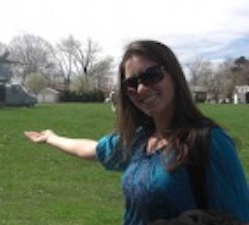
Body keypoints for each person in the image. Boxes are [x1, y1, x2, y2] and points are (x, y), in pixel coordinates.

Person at [24, 40, 249, 225]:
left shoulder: (210, 142)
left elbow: (238, 217)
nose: (141, 89)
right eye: (131, 84)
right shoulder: (140, 139)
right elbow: (92, 149)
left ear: (174, 76)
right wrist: (51, 138)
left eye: (151, 76)